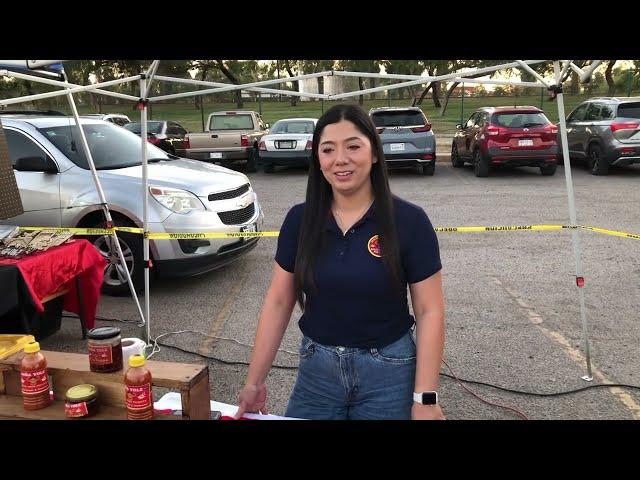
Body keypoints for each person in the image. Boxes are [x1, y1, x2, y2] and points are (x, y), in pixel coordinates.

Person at [235, 103, 445, 420]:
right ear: (318, 159)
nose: (340, 160)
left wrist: (425, 399)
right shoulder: (298, 220)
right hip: (317, 373)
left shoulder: (410, 221)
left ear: (374, 153)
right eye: (328, 149)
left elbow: (430, 311)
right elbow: (279, 302)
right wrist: (254, 382)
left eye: (353, 146)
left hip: (389, 372)